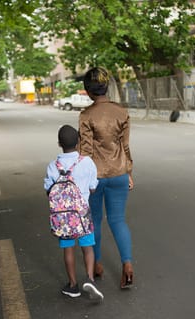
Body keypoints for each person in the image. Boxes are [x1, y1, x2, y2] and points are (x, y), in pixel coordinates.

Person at [78, 67, 134, 289]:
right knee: (118, 220)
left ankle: (97, 265)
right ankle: (128, 266)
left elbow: (85, 152)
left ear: (88, 91)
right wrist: (129, 172)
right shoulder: (122, 112)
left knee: (94, 222)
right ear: (106, 88)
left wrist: (81, 181)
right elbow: (125, 146)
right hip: (119, 174)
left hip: (95, 178)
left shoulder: (86, 115)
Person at [44, 125, 104, 301]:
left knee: (68, 249)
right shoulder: (87, 162)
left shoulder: (52, 166)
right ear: (78, 142)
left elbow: (49, 191)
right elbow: (93, 188)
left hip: (63, 217)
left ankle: (72, 286)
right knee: (87, 247)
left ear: (59, 144)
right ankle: (90, 279)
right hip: (83, 214)